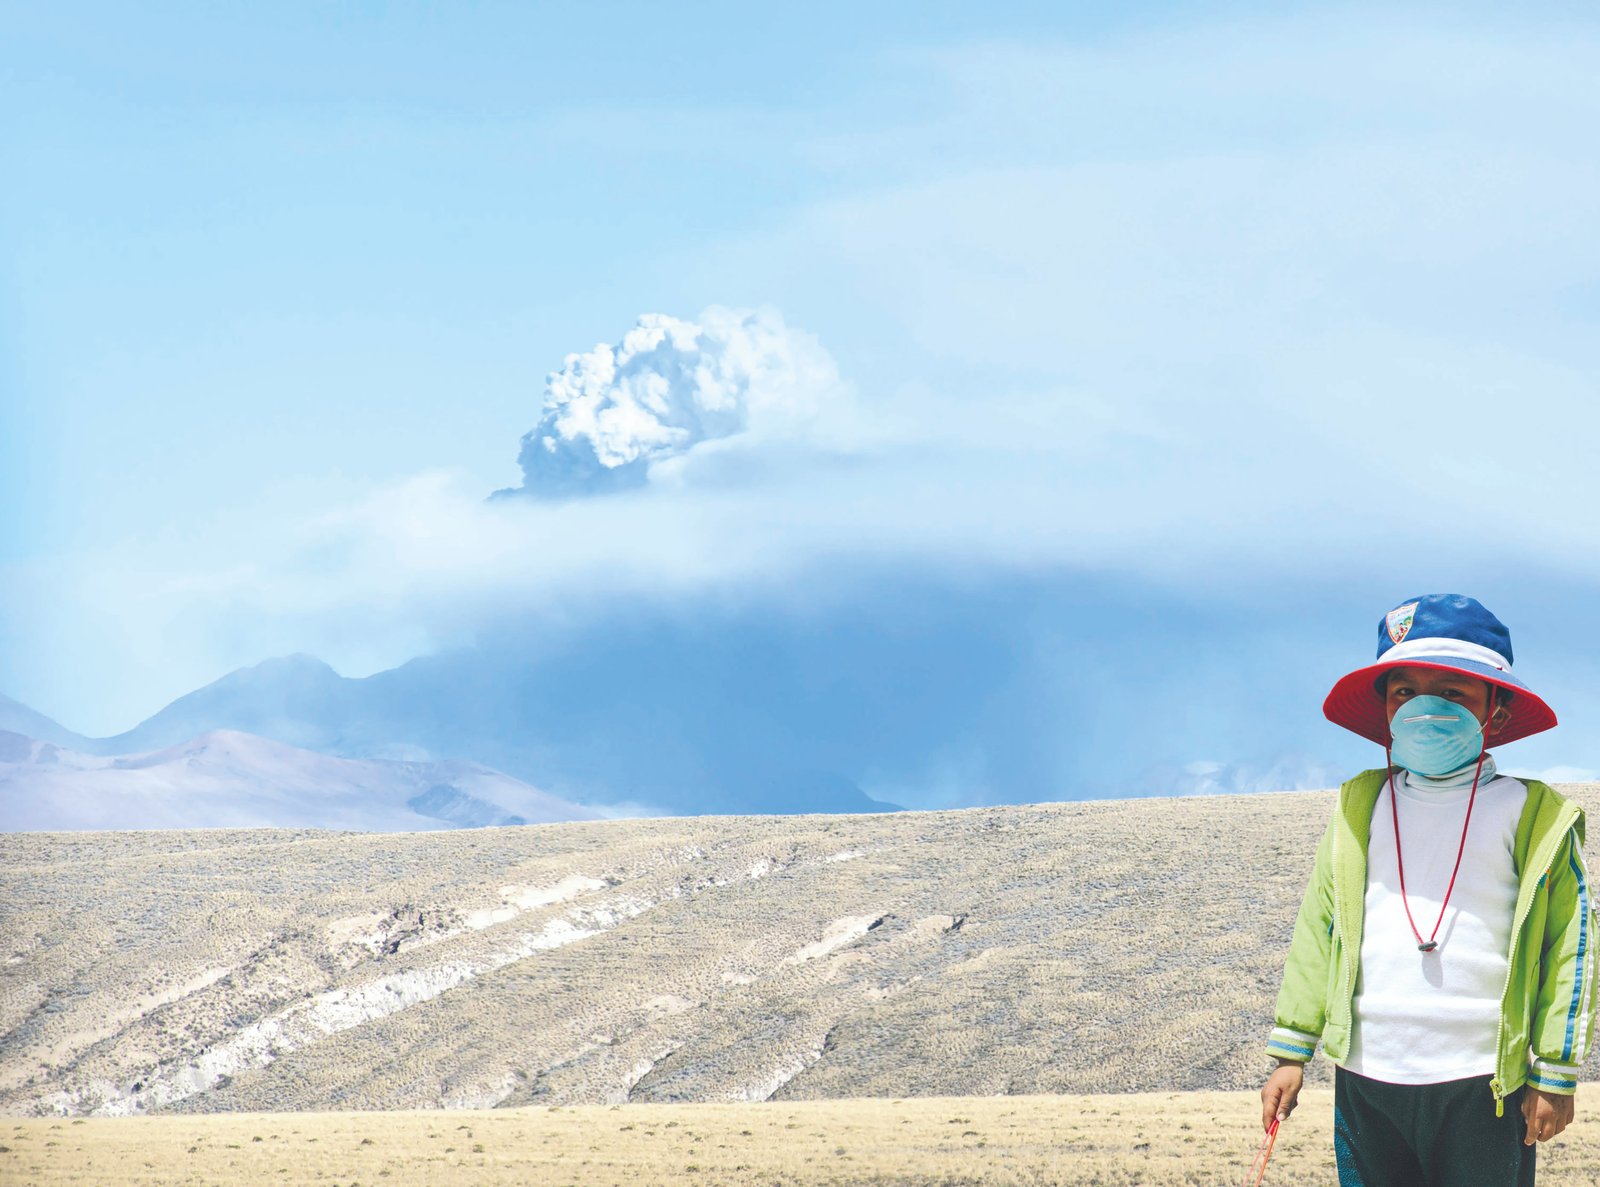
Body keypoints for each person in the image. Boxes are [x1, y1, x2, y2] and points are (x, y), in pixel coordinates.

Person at [1261, 593, 1596, 1186]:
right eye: (1404, 691)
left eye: (1453, 692)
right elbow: (1319, 928)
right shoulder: (1359, 807)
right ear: (1386, 710)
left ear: (1496, 713)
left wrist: (1555, 1071)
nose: (1424, 708)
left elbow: (1571, 946)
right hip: (1367, 1077)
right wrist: (1292, 1052)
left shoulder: (1534, 815)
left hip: (1483, 1080)